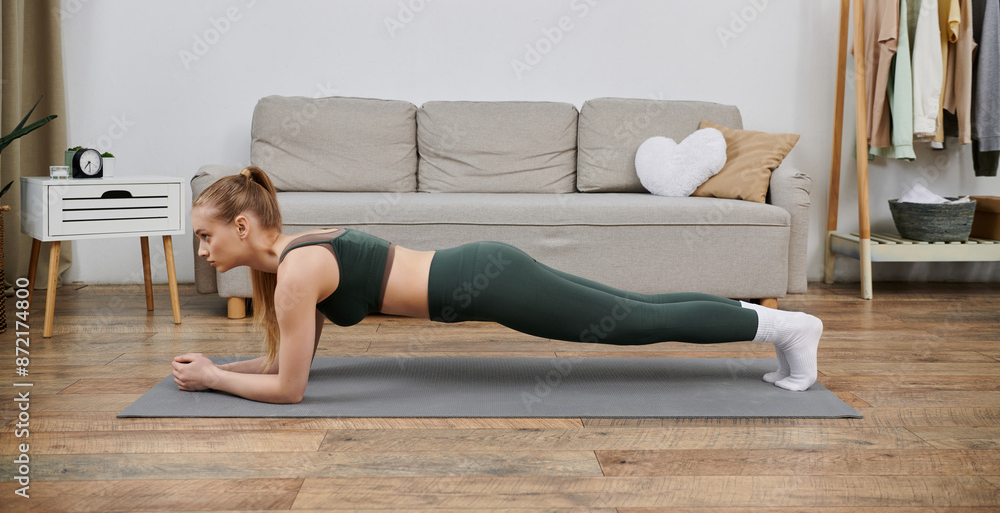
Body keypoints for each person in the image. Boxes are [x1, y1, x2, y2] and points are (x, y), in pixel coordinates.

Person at [173, 166, 823, 403]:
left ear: (241, 225)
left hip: (490, 283)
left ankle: (789, 327)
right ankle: (781, 329)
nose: (202, 251)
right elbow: (286, 363)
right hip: (486, 269)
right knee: (639, 308)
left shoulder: (296, 272)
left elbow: (289, 390)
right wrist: (218, 367)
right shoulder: (295, 260)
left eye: (206, 236)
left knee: (634, 321)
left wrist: (214, 380)